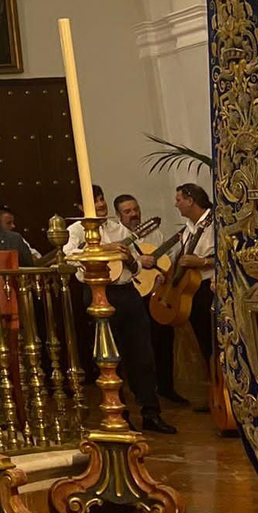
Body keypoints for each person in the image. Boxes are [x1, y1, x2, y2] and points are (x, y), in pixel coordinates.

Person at [65, 189, 175, 433]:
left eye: (102, 198)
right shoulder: (75, 232)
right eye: (94, 201)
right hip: (99, 293)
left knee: (142, 355)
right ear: (82, 208)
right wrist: (103, 250)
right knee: (110, 358)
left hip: (127, 294)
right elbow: (71, 259)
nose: (100, 204)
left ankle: (151, 413)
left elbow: (136, 268)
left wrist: (127, 258)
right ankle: (120, 415)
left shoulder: (121, 229)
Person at [146, 183, 216, 409]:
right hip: (193, 291)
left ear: (191, 200)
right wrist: (165, 277)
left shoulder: (214, 223)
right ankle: (216, 394)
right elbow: (179, 258)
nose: (175, 205)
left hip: (211, 288)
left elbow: (229, 255)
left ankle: (229, 394)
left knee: (216, 345)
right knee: (205, 344)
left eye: (178, 200)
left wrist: (203, 261)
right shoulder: (188, 228)